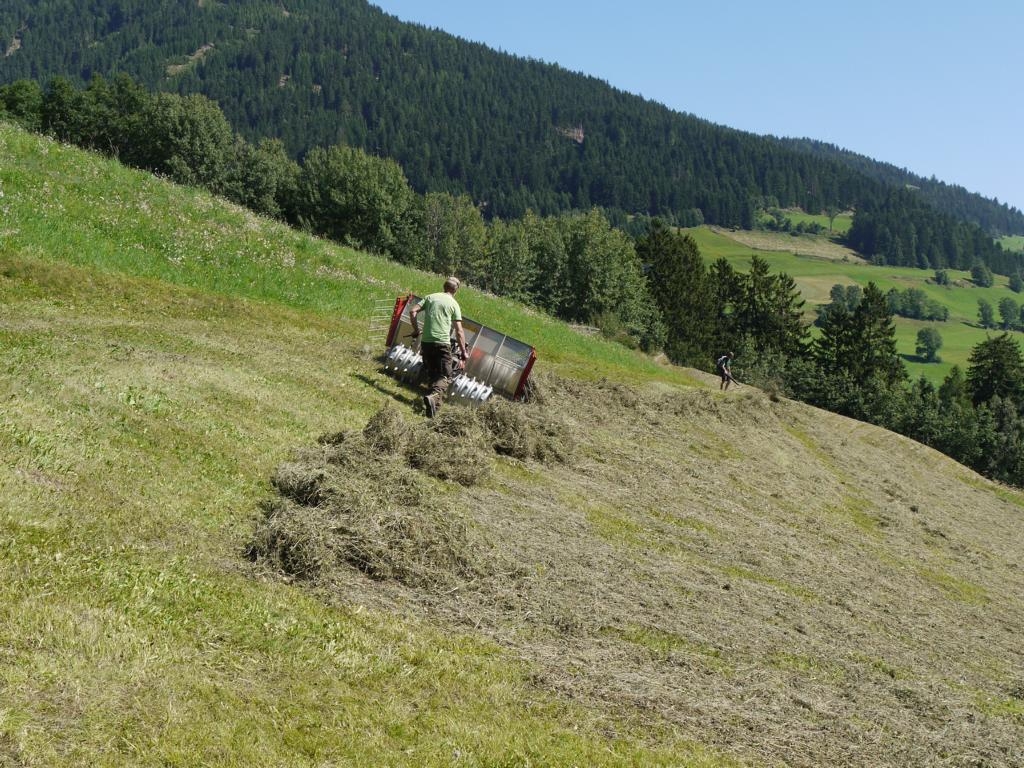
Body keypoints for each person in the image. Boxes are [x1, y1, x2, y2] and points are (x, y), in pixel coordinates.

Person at [409, 276, 469, 417]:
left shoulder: (430, 297)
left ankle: (433, 411)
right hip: (442, 343)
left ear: (444, 286)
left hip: (426, 343)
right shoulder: (454, 304)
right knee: (446, 376)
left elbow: (413, 311)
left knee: (434, 375)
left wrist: (416, 330)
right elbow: (459, 331)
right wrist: (464, 352)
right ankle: (433, 397)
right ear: (456, 290)